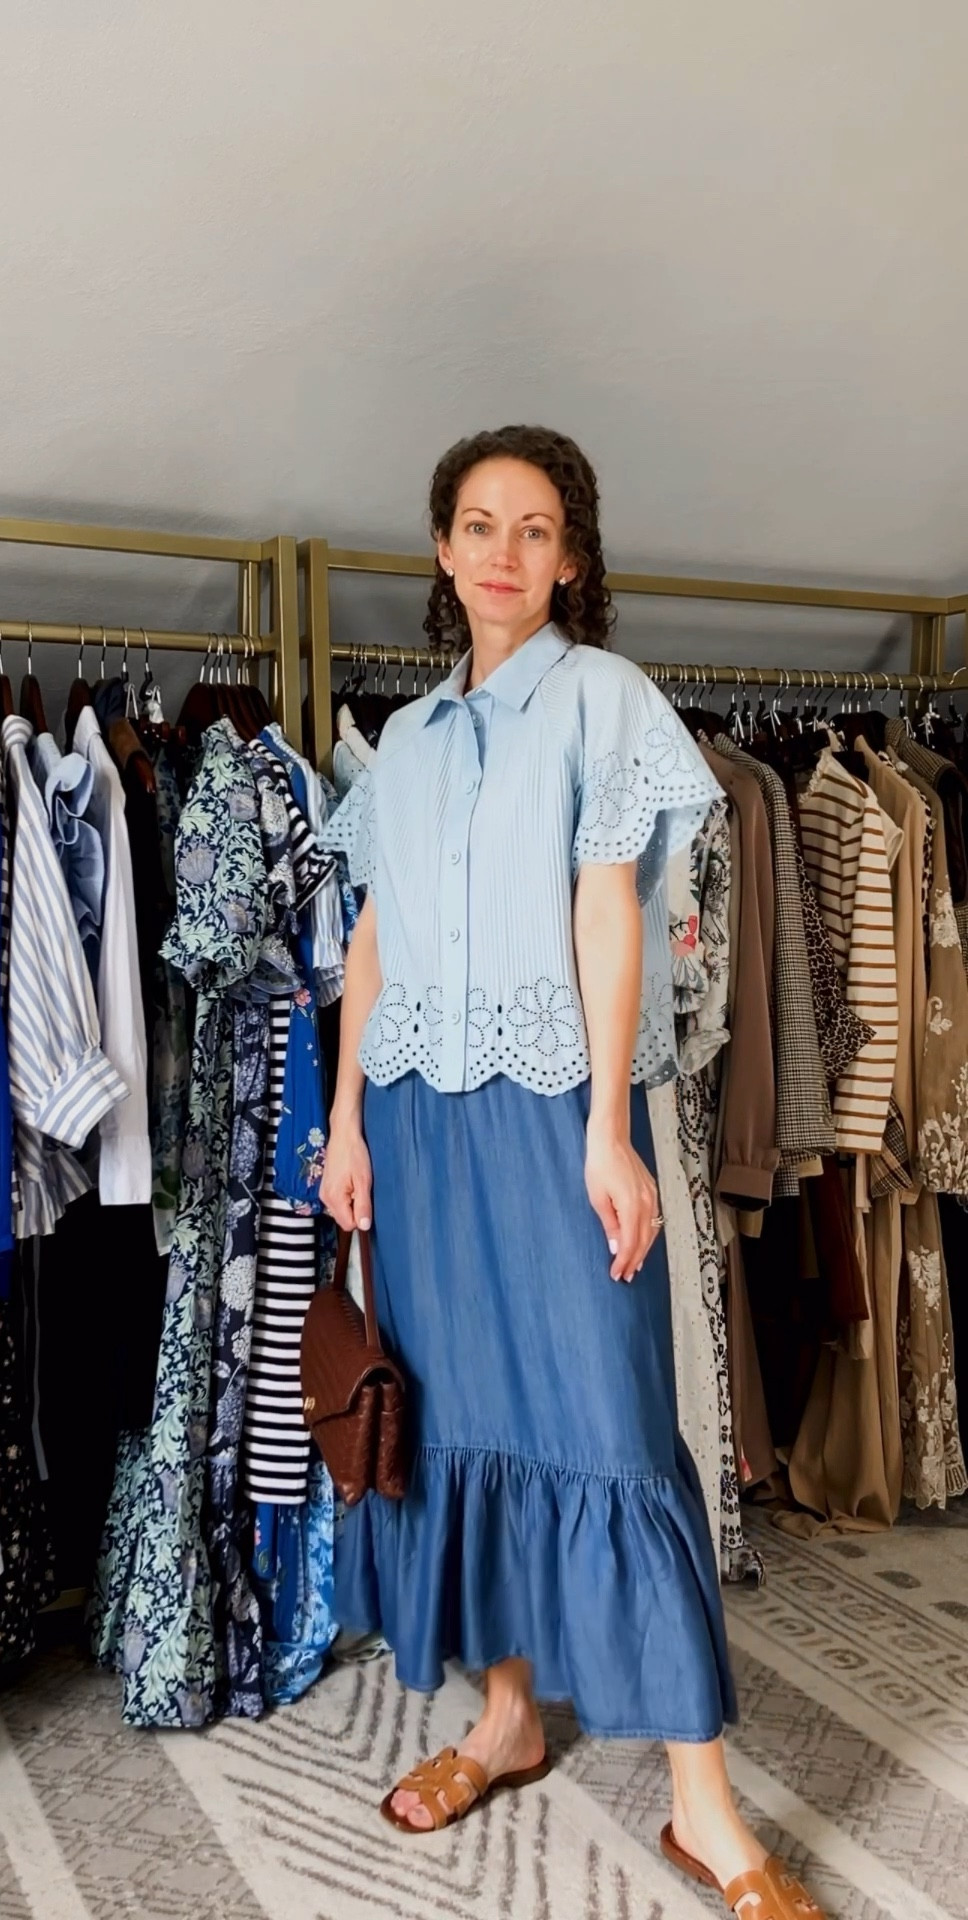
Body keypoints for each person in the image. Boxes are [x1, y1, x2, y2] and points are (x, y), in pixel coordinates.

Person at [320, 426, 825, 1920]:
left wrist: (609, 1128)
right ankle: (506, 1717)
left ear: (575, 559)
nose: (501, 552)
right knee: (461, 1420)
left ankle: (702, 1807)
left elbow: (614, 920)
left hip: (551, 1114)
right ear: (439, 551)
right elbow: (371, 940)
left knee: (610, 1427)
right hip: (414, 1126)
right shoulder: (401, 742)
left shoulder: (605, 700)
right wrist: (345, 1118)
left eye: (534, 529)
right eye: (477, 524)